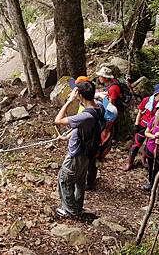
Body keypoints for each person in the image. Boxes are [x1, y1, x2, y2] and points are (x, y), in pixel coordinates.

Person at [54, 81, 101, 218]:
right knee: (79, 181)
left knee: (64, 179)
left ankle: (69, 211)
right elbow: (80, 127)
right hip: (86, 153)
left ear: (79, 95)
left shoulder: (85, 115)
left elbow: (58, 120)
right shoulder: (97, 109)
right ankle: (77, 208)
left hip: (77, 154)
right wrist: (67, 136)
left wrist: (69, 101)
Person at [122, 83, 159, 171]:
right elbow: (140, 112)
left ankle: (143, 159)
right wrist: (136, 124)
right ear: (157, 93)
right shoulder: (147, 100)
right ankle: (129, 162)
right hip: (143, 125)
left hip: (154, 128)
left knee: (148, 145)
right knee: (136, 145)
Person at [142, 100, 159, 191]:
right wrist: (154, 136)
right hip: (150, 148)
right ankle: (150, 183)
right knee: (150, 167)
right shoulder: (154, 120)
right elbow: (146, 133)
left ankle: (156, 186)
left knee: (158, 169)